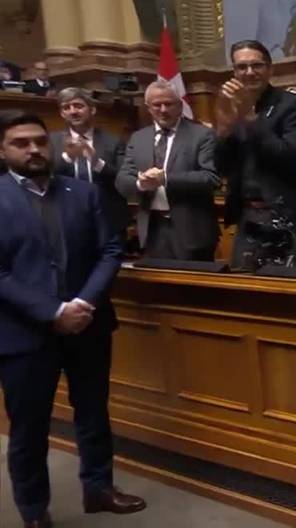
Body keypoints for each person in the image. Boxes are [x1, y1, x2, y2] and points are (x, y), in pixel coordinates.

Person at [0, 111, 147, 528]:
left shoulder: (82, 192)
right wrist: (53, 311)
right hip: (24, 333)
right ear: (2, 150)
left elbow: (111, 251)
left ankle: (99, 489)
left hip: (89, 324)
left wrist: (83, 302)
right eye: (21, 143)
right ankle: (33, 511)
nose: (33, 150)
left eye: (39, 142)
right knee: (29, 428)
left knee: (94, 414)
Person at [214, 39, 296, 268]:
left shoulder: (291, 104)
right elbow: (220, 167)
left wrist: (249, 117)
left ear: (270, 69)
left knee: (292, 295)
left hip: (286, 217)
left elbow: (287, 155)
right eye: (241, 67)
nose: (249, 72)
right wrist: (224, 130)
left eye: (256, 65)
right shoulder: (231, 106)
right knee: (246, 294)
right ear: (234, 72)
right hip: (248, 217)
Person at [116, 81, 221, 261]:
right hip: (152, 230)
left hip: (193, 231)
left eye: (169, 104)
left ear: (180, 105)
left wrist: (165, 179)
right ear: (148, 108)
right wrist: (140, 183)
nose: (163, 110)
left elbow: (211, 178)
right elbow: (122, 180)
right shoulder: (138, 138)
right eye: (157, 105)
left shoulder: (202, 135)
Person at [49, 87, 130, 241]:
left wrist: (96, 162)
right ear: (62, 114)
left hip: (108, 217)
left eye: (78, 106)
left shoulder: (113, 141)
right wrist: (68, 157)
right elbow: (46, 177)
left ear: (92, 109)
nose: (73, 111)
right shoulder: (51, 141)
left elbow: (123, 179)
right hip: (65, 217)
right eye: (67, 107)